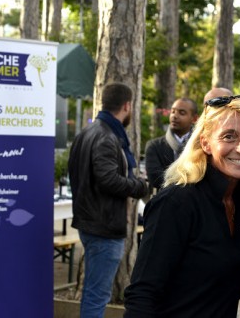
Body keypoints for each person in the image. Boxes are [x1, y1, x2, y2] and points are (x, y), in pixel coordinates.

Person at [124, 95, 240, 317]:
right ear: (206, 143)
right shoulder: (176, 203)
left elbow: (234, 282)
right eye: (229, 136)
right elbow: (142, 295)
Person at [68, 82, 149, 318]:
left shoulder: (89, 132)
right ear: (127, 105)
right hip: (102, 226)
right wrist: (139, 186)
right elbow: (108, 180)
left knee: (94, 292)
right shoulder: (105, 136)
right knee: (97, 294)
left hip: (91, 221)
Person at [144, 98, 198, 193]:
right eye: (173, 111)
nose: (175, 116)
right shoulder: (154, 146)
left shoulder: (200, 145)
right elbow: (155, 179)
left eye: (182, 113)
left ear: (194, 119)